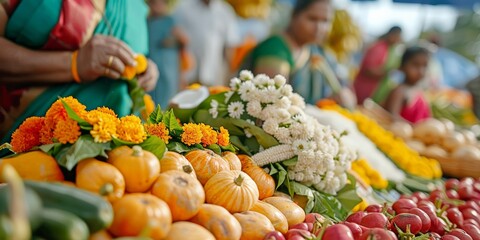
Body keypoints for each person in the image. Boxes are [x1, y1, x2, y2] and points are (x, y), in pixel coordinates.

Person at [0, 0, 158, 143]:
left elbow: (135, 50)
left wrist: (147, 69)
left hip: (120, 152)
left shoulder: (135, 5)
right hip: (33, 148)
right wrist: (74, 64)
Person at [243, 0, 337, 105]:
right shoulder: (275, 49)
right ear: (294, 16)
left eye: (325, 21)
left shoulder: (314, 52)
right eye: (312, 19)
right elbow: (273, 103)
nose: (319, 28)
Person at [173, 0, 241, 86]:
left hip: (213, 73)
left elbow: (230, 45)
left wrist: (230, 74)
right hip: (187, 74)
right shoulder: (183, 7)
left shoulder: (225, 11)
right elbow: (175, 36)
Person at [147, 0, 188, 108]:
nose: (157, 6)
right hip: (152, 66)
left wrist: (171, 41)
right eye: (153, 3)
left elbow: (184, 41)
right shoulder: (147, 22)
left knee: (167, 99)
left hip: (168, 69)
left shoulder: (170, 21)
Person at [354, 26, 403, 105]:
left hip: (374, 93)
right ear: (391, 35)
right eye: (397, 37)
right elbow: (368, 70)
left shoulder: (391, 50)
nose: (398, 40)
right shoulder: (378, 48)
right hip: (364, 89)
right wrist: (388, 73)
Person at [384, 46, 431, 123]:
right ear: (403, 67)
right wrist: (417, 128)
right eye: (416, 65)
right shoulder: (399, 91)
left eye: (425, 66)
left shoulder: (420, 91)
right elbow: (392, 118)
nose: (421, 71)